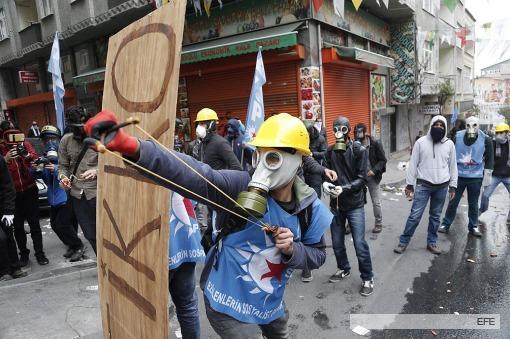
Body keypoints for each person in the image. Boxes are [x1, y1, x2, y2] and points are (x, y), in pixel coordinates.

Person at [85, 111, 333, 339]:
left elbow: (318, 255)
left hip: (270, 302)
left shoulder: (310, 208)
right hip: (227, 300)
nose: (263, 167)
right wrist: (133, 147)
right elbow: (197, 176)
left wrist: (292, 250)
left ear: (298, 160)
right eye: (260, 155)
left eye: (273, 157)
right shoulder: (239, 186)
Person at [323, 116, 374, 296]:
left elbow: (362, 179)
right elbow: (326, 173)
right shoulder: (330, 151)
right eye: (336, 128)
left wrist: (343, 189)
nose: (339, 133)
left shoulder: (359, 150)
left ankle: (367, 277)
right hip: (336, 204)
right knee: (337, 243)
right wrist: (326, 184)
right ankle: (343, 268)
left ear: (349, 130)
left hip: (354, 204)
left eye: (343, 129)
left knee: (359, 243)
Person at [394, 116, 457, 255]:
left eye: (442, 125)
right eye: (436, 124)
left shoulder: (449, 144)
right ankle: (403, 242)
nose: (439, 127)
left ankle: (432, 242)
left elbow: (453, 166)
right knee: (415, 215)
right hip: (423, 185)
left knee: (435, 216)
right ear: (431, 125)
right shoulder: (421, 142)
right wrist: (409, 185)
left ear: (445, 128)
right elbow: (413, 164)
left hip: (442, 186)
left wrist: (453, 186)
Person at [0, 122, 48, 266]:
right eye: (8, 133)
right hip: (12, 194)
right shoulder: (1, 149)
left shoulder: (25, 143)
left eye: (14, 132)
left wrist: (25, 154)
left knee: (35, 224)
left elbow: (35, 158)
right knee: (18, 227)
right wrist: (5, 159)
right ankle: (24, 255)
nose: (12, 136)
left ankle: (40, 254)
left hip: (30, 189)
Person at [438, 116, 494, 237]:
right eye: (468, 125)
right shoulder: (457, 136)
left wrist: (487, 178)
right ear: (466, 125)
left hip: (476, 177)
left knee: (473, 203)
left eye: (474, 125)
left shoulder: (486, 139)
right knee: (453, 202)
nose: (471, 128)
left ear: (478, 126)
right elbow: (449, 154)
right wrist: (446, 171)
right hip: (458, 176)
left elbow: (490, 159)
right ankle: (446, 224)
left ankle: (473, 226)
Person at [35, 125, 84, 261]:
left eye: (53, 139)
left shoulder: (65, 152)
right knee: (55, 225)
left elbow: (72, 170)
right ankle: (72, 245)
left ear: (59, 139)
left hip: (66, 196)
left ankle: (78, 246)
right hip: (54, 198)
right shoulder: (45, 157)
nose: (50, 143)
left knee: (62, 224)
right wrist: (37, 169)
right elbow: (46, 179)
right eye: (46, 140)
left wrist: (56, 169)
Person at [58, 106, 98, 254]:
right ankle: (103, 267)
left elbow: (114, 164)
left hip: (99, 193)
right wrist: (63, 178)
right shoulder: (66, 141)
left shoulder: (101, 139)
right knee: (90, 235)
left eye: (82, 127)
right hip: (78, 197)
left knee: (108, 234)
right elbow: (62, 166)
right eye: (75, 128)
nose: (79, 131)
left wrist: (97, 171)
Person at [354, 123, 387, 233]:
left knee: (375, 201)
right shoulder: (355, 144)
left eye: (359, 132)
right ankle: (353, 223)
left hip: (372, 177)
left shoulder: (375, 143)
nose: (357, 135)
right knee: (356, 202)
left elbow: (383, 160)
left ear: (365, 132)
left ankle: (378, 223)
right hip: (359, 177)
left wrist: (374, 170)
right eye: (355, 133)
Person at [0, 154, 27, 280]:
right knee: (1, 238)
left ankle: (15, 268)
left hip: (3, 206)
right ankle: (4, 271)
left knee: (9, 237)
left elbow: (8, 186)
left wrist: (9, 210)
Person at [479, 123, 510, 226]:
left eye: (501, 133)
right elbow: (483, 155)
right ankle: (481, 210)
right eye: (498, 133)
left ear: (507, 133)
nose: (499, 135)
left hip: (508, 176)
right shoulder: (491, 143)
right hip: (494, 175)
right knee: (485, 195)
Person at [303, 120, 327, 198]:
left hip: (316, 173)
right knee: (305, 199)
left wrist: (313, 154)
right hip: (304, 172)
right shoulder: (303, 138)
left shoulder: (320, 139)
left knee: (316, 198)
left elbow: (325, 154)